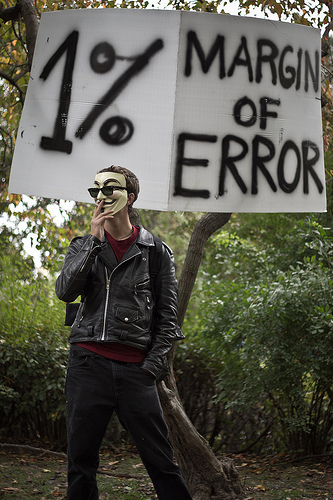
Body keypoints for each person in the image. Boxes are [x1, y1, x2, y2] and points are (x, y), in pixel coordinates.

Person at [55, 165, 192, 500]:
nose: (102, 197)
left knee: (162, 463)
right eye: (96, 190)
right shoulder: (83, 246)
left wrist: (149, 371)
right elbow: (65, 292)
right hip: (87, 367)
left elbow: (168, 322)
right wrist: (93, 242)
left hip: (136, 373)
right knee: (81, 463)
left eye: (110, 189)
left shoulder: (156, 253)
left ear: (130, 197)